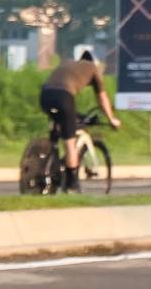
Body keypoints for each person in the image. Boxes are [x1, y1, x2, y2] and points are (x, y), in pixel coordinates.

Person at [38, 42, 120, 185]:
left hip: (45, 95)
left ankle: (51, 154)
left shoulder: (69, 64)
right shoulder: (93, 68)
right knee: (70, 142)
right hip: (64, 96)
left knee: (63, 121)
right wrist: (111, 119)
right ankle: (71, 184)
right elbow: (102, 98)